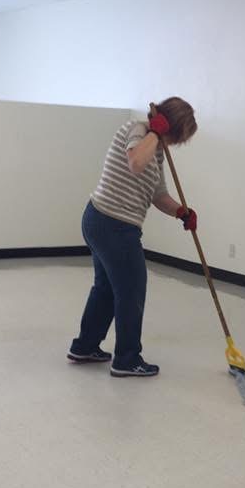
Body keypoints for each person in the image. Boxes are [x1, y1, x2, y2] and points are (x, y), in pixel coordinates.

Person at [68, 97, 198, 377]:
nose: (173, 144)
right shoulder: (137, 130)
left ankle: (85, 346)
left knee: (105, 288)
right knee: (131, 291)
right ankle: (127, 359)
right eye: (176, 137)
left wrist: (181, 212)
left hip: (102, 221)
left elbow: (158, 195)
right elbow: (135, 162)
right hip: (113, 224)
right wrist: (156, 133)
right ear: (170, 127)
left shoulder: (157, 150)